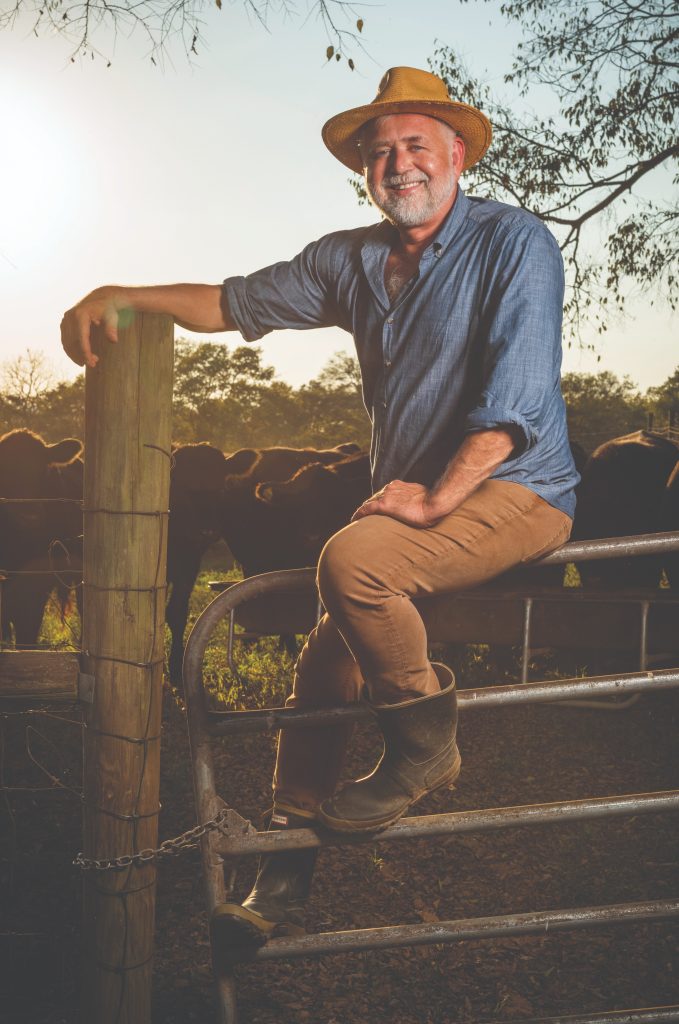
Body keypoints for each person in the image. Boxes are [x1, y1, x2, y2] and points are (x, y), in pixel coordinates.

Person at [61, 66, 578, 955]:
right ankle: (283, 874)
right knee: (320, 670)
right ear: (364, 173)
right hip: (412, 508)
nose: (398, 163)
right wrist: (123, 296)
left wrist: (437, 495)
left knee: (353, 563)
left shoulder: (514, 242)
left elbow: (517, 402)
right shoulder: (348, 261)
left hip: (516, 491)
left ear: (456, 155)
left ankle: (423, 744)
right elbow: (231, 303)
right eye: (379, 153)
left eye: (416, 144)